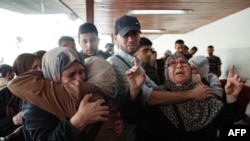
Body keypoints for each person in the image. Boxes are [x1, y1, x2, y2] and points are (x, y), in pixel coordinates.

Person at [106, 15, 213, 141]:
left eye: (134, 34)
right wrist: (191, 94)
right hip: (130, 132)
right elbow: (148, 97)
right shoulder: (114, 63)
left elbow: (156, 88)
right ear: (115, 37)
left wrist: (186, 81)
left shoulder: (135, 62)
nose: (131, 39)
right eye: (125, 35)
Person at [7, 47, 142, 140]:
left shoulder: (81, 94)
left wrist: (114, 121)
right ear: (52, 75)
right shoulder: (35, 103)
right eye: (71, 74)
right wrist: (78, 121)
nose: (79, 79)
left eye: (81, 71)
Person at [124, 53, 243, 141]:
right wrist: (134, 89)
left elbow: (226, 126)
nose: (179, 65)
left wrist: (231, 97)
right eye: (173, 64)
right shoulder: (158, 96)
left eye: (184, 63)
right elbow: (131, 117)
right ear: (166, 71)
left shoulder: (203, 93)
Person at [0, 53, 41, 138]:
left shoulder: (46, 89)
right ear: (22, 69)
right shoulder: (6, 94)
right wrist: (15, 120)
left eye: (41, 66)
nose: (40, 70)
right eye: (34, 67)